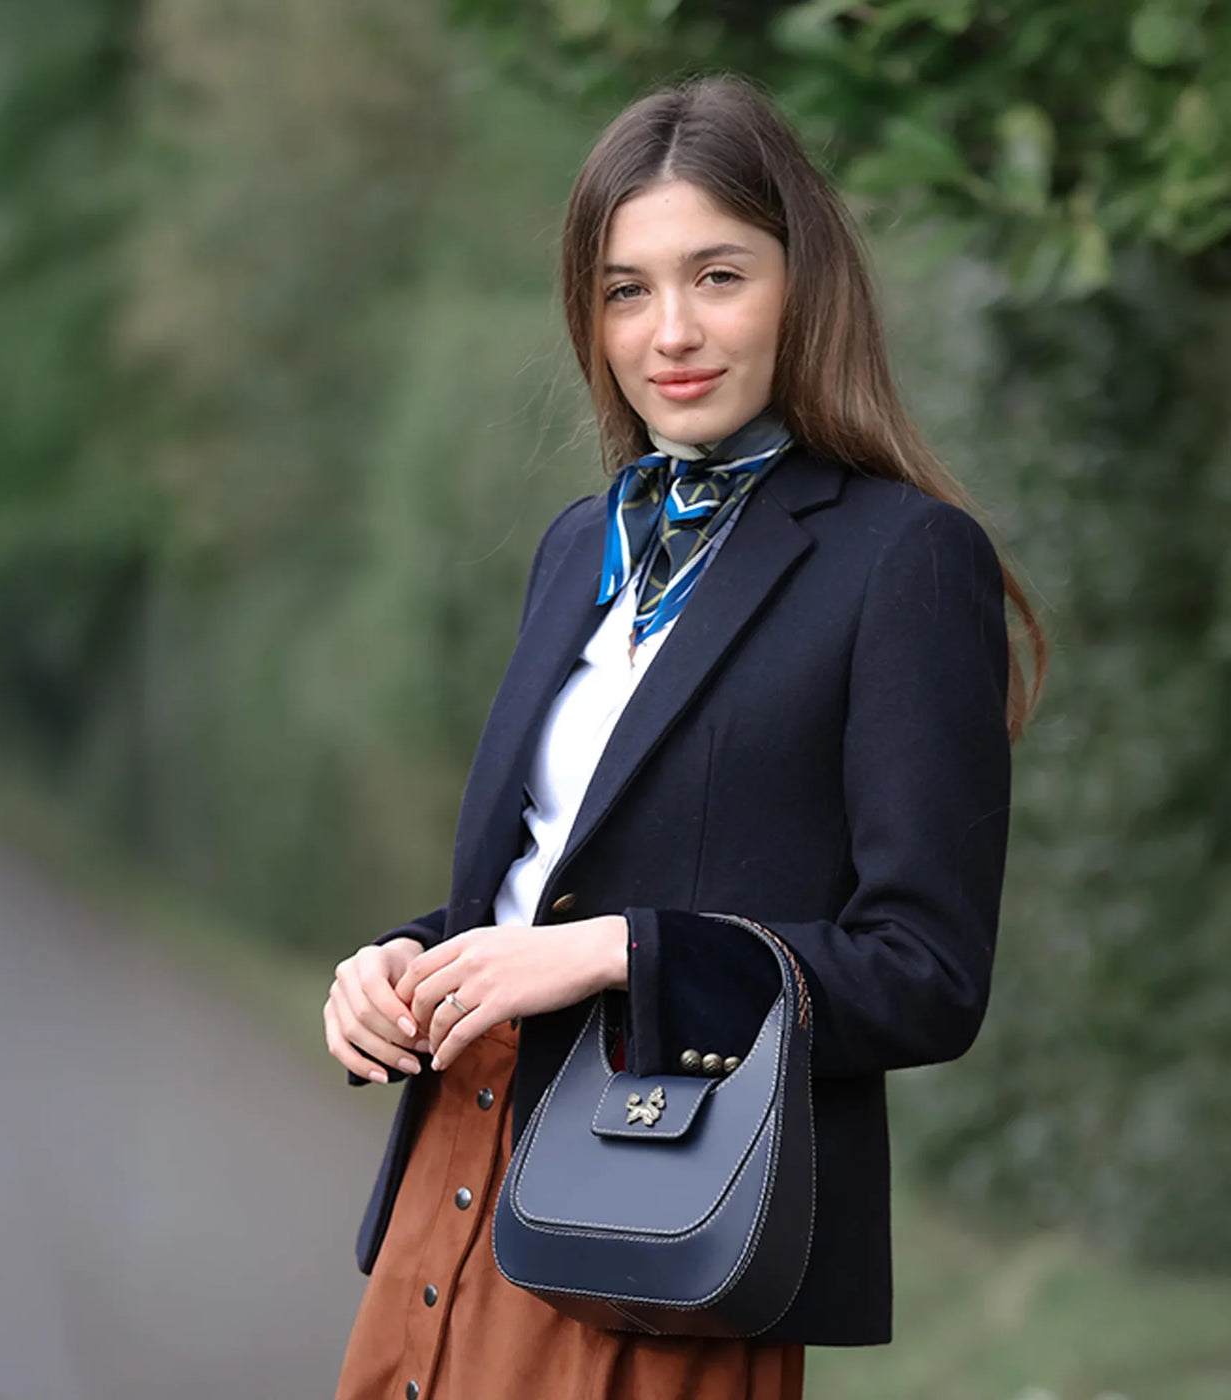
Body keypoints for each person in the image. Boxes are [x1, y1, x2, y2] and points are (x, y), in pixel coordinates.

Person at [322, 73, 1045, 1400]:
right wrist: (403, 963)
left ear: (802, 282)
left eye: (717, 275)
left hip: (654, 1228)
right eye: (625, 289)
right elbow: (542, 884)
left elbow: (925, 973)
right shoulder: (578, 547)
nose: (671, 332)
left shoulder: (903, 562)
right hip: (444, 1199)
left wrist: (621, 957)